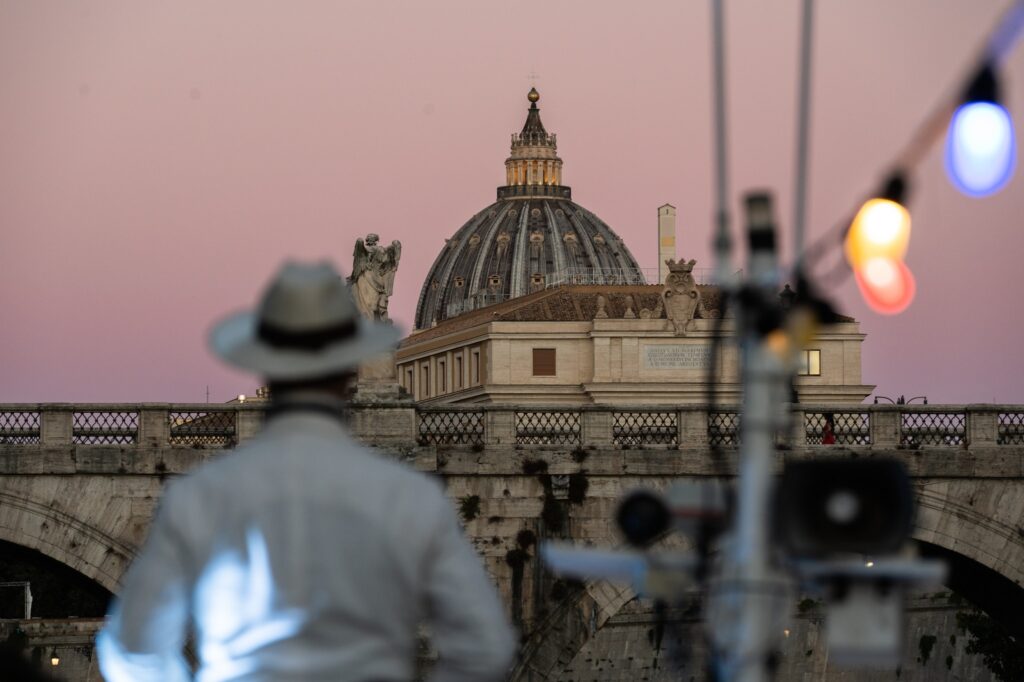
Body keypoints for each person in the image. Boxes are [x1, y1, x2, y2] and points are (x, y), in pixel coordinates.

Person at [97, 262, 516, 681]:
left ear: (267, 366)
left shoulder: (200, 497)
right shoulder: (408, 497)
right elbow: (485, 648)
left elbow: (133, 649)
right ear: (348, 366)